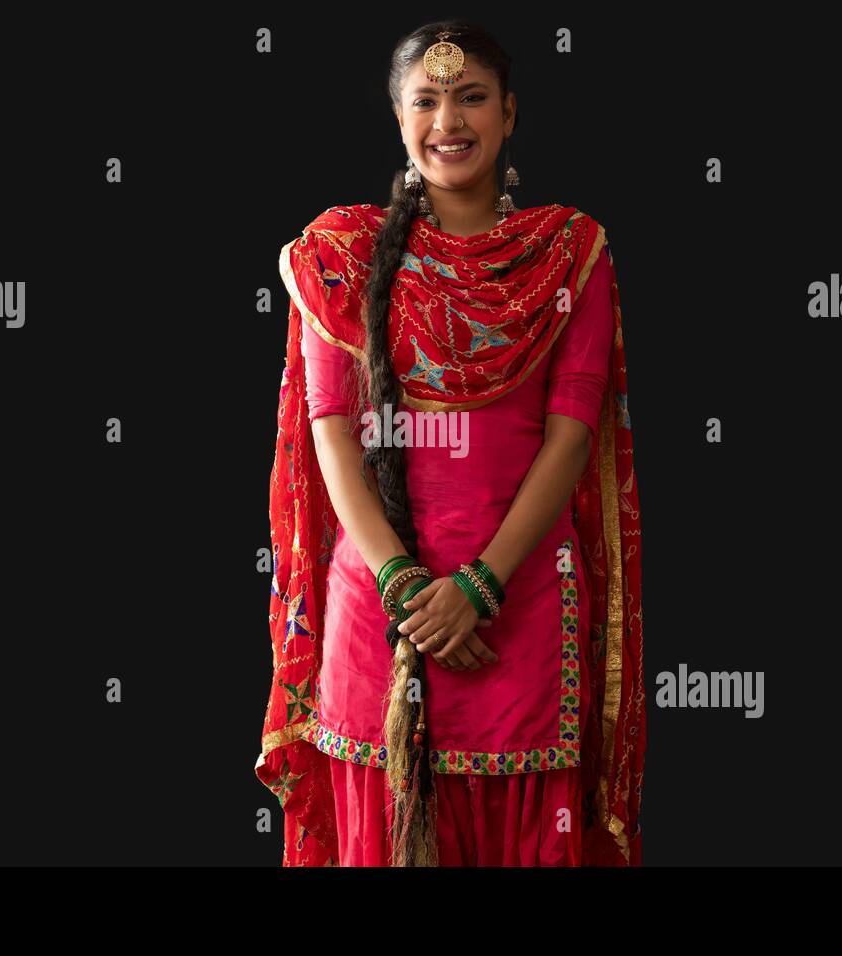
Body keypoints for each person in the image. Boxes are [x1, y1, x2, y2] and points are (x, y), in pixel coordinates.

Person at [256, 20, 645, 866]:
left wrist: (479, 584)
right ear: (400, 120)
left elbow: (570, 439)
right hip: (380, 615)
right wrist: (405, 589)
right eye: (426, 101)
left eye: (471, 98)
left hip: (524, 604)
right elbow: (334, 437)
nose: (449, 120)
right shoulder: (342, 256)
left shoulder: (569, 254)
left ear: (509, 114)